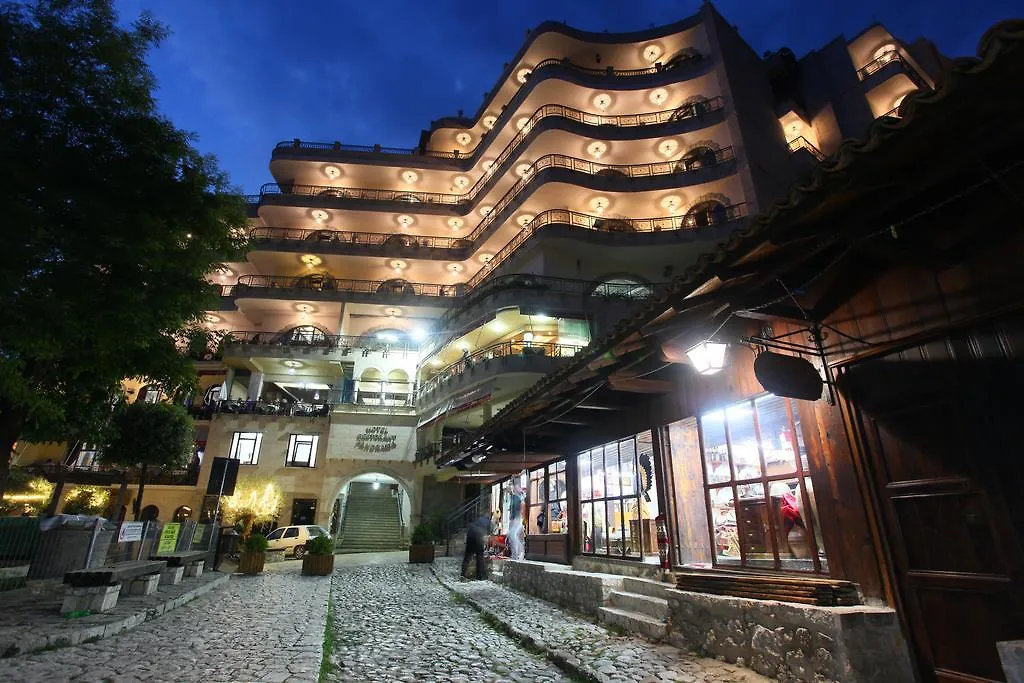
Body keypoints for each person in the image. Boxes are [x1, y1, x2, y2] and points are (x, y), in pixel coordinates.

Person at [462, 515, 491, 580]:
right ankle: (480, 575)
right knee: (480, 557)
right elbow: (488, 535)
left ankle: (463, 573)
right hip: (478, 538)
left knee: (467, 556)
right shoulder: (488, 522)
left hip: (470, 537)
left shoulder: (477, 520)